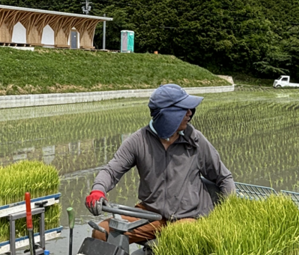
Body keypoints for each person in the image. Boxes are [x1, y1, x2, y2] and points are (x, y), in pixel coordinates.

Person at [85, 84, 235, 244]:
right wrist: (98, 190)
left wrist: (229, 212)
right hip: (151, 214)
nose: (189, 113)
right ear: (168, 116)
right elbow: (111, 171)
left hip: (188, 216)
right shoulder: (138, 141)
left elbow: (224, 177)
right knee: (101, 232)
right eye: (184, 109)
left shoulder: (195, 140)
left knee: (177, 237)